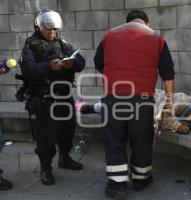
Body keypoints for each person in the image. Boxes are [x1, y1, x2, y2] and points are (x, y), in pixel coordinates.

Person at [94, 10, 175, 199]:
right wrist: (170, 101)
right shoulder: (156, 38)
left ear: (128, 21)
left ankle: (117, 185)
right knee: (142, 140)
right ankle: (141, 179)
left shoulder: (110, 35)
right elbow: (168, 73)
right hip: (143, 100)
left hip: (114, 98)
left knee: (114, 140)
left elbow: (99, 62)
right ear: (146, 22)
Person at [19, 9, 85, 185]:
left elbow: (81, 61)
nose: (52, 32)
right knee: (46, 137)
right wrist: (49, 67)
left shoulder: (63, 43)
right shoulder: (30, 46)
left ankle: (64, 158)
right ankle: (46, 168)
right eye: (48, 29)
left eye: (55, 29)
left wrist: (73, 63)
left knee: (67, 130)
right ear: (39, 27)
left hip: (64, 96)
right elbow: (28, 70)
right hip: (44, 99)